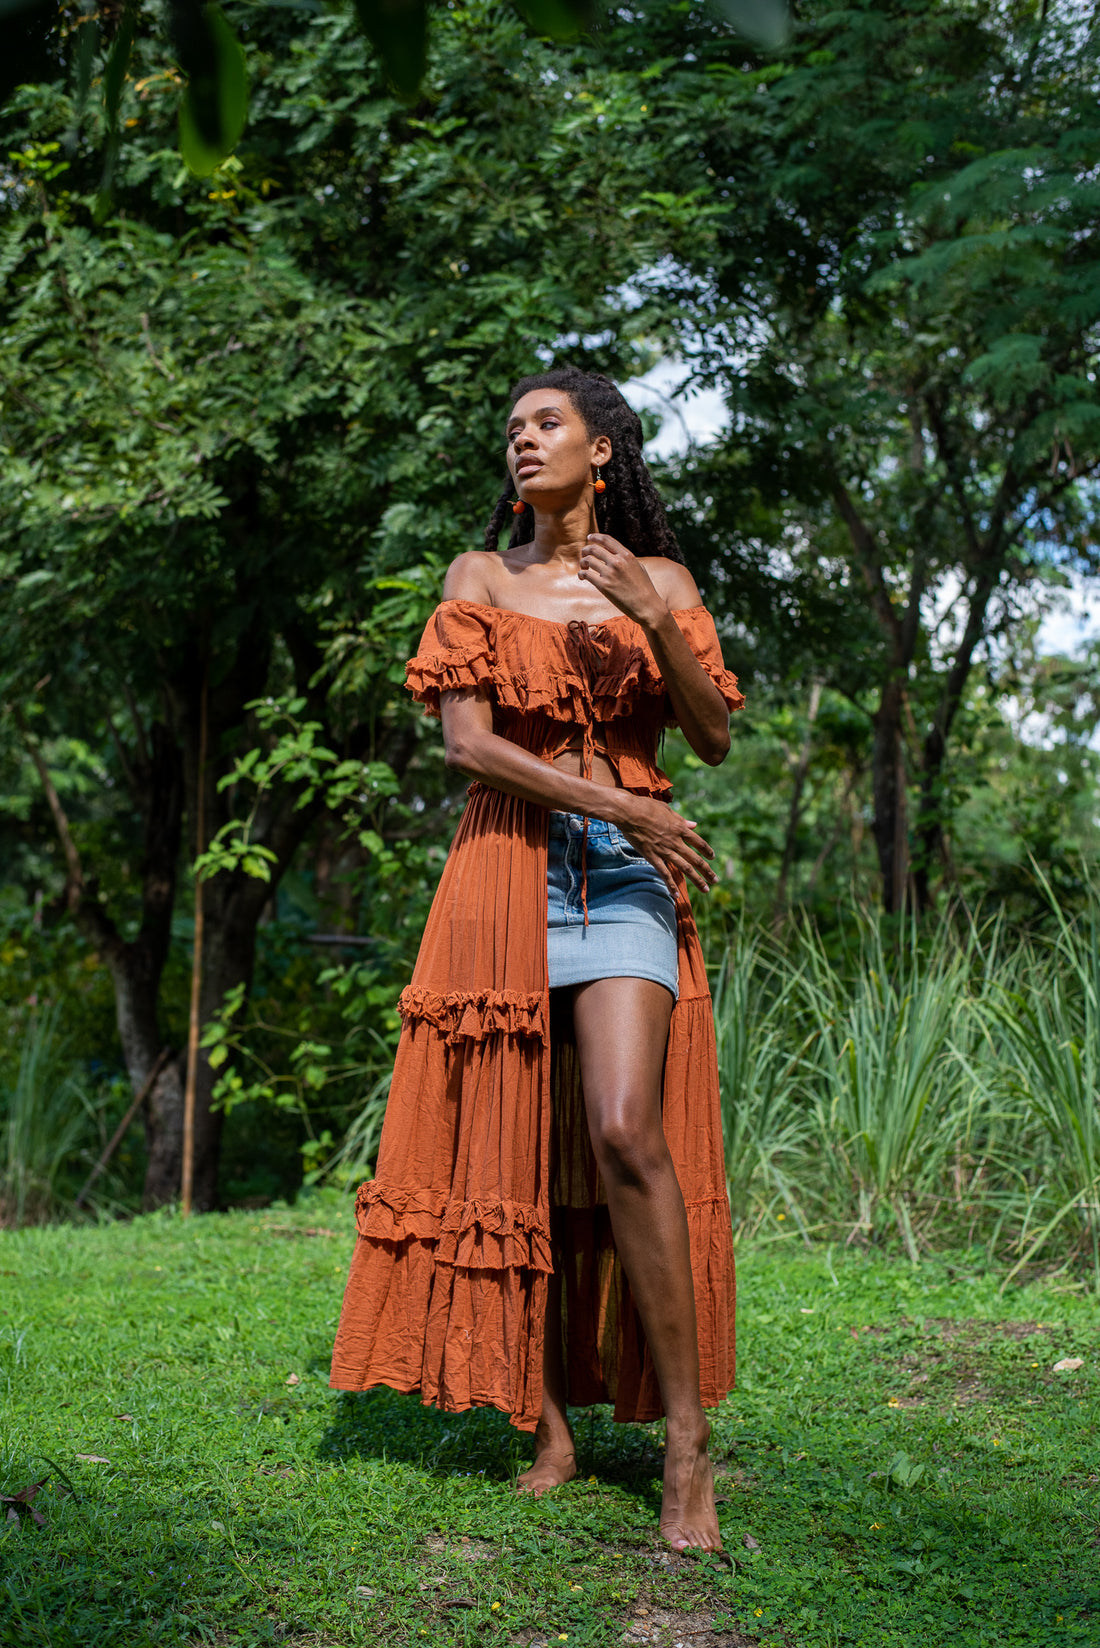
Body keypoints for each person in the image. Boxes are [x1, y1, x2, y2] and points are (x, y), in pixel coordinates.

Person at [330, 367, 743, 1552]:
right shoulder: (478, 579)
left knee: (621, 1127)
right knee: (511, 1149)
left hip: (619, 885)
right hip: (503, 873)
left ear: (600, 450)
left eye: (544, 423)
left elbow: (708, 737)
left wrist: (653, 621)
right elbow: (468, 746)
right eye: (509, 427)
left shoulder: (660, 581)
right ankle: (549, 1425)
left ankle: (682, 1442)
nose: (520, 440)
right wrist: (626, 807)